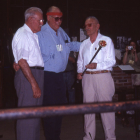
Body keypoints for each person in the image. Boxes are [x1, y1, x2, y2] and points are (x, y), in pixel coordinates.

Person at [37, 6, 80, 140]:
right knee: (50, 110)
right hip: (47, 77)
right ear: (48, 18)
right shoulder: (40, 33)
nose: (59, 21)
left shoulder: (61, 32)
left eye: (61, 18)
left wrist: (91, 44)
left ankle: (56, 136)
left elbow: (69, 45)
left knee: (60, 109)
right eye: (56, 19)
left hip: (60, 77)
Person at [77, 16, 116, 140]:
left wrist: (97, 65)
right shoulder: (83, 43)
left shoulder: (106, 40)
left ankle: (110, 137)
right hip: (87, 78)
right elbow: (80, 61)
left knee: (107, 110)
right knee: (88, 109)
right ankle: (88, 137)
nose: (87, 27)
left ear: (97, 26)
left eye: (90, 25)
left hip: (103, 76)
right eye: (85, 25)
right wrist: (79, 72)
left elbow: (112, 61)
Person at [12, 7, 44, 140]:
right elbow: (22, 61)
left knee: (35, 118)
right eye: (40, 20)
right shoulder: (23, 34)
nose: (42, 23)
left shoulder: (32, 35)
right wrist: (34, 83)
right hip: (29, 77)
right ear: (31, 19)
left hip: (34, 75)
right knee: (27, 119)